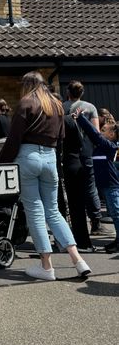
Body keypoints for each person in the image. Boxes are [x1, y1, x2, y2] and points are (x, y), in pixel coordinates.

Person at [0, 71, 91, 280]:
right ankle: (78, 260)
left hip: (28, 156)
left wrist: (0, 163)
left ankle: (46, 267)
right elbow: (62, 136)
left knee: (35, 211)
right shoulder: (57, 105)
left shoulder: (26, 103)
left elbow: (13, 139)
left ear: (28, 84)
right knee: (53, 211)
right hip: (50, 158)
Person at [74, 111, 119, 253]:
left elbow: (94, 135)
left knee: (116, 214)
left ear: (112, 135)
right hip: (106, 186)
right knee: (113, 213)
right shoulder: (102, 147)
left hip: (112, 185)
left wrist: (81, 118)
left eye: (104, 130)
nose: (101, 131)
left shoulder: (109, 146)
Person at [64, 81, 104, 235]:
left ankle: (76, 225)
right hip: (87, 150)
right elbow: (96, 132)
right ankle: (95, 222)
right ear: (81, 92)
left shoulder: (62, 107)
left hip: (69, 151)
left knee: (72, 189)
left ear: (68, 92)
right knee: (90, 185)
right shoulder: (90, 107)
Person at [61, 114, 95, 252]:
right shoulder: (71, 122)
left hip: (66, 165)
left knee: (71, 207)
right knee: (78, 208)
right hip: (76, 164)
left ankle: (75, 240)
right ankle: (83, 242)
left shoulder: (60, 123)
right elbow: (82, 143)